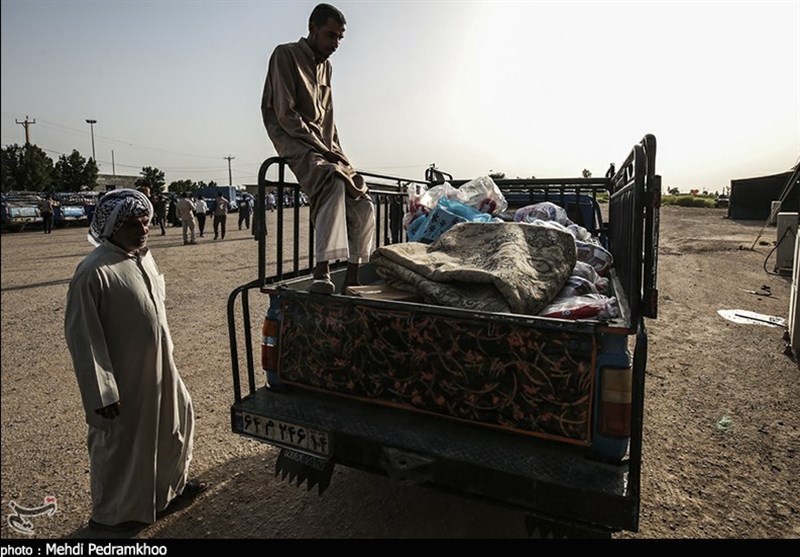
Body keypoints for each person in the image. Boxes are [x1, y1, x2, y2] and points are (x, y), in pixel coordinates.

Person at [63, 189, 206, 532]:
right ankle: (111, 516)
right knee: (122, 446)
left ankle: (168, 492)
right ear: (112, 227)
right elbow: (83, 337)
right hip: (125, 379)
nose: (142, 230)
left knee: (175, 425)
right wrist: (102, 392)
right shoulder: (93, 272)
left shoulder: (143, 258)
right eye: (131, 224)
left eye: (145, 222)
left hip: (160, 369)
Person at [261, 3, 375, 295]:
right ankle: (321, 270)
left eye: (340, 38)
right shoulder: (285, 54)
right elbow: (285, 114)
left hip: (325, 146)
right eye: (330, 35)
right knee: (332, 180)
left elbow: (329, 119)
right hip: (293, 138)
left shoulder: (327, 67)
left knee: (363, 199)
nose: (335, 43)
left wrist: (339, 153)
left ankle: (353, 275)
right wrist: (323, 150)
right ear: (312, 28)